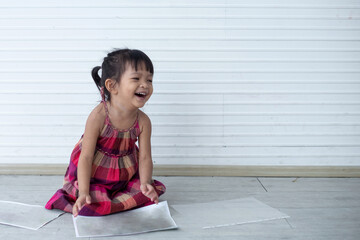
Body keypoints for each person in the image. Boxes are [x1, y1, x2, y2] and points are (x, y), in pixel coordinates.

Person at [45, 49, 166, 216]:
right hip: (94, 174)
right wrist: (84, 192)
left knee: (148, 193)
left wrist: (145, 184)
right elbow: (85, 157)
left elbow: (145, 157)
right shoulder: (99, 116)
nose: (145, 85)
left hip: (124, 173)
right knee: (89, 201)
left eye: (149, 80)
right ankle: (90, 195)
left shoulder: (143, 121)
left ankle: (117, 195)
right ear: (112, 86)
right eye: (136, 78)